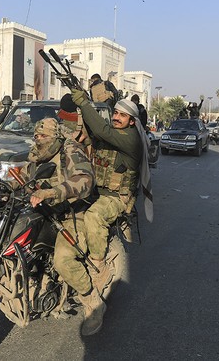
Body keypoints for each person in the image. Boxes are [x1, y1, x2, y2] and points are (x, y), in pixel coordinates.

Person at [71, 88, 153, 334]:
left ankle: (99, 266)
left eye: (121, 115)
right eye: (114, 113)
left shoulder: (131, 139)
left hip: (118, 198)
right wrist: (80, 114)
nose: (116, 117)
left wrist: (85, 103)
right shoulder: (112, 135)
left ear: (132, 120)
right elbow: (91, 135)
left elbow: (100, 130)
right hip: (98, 192)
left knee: (94, 217)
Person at [14, 118, 99, 335]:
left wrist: (52, 192)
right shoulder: (37, 153)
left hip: (73, 213)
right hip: (46, 211)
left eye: (44, 137)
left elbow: (85, 180)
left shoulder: (69, 150)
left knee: (63, 260)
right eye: (37, 136)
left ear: (55, 137)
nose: (39, 140)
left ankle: (93, 303)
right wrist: (4, 185)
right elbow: (24, 176)